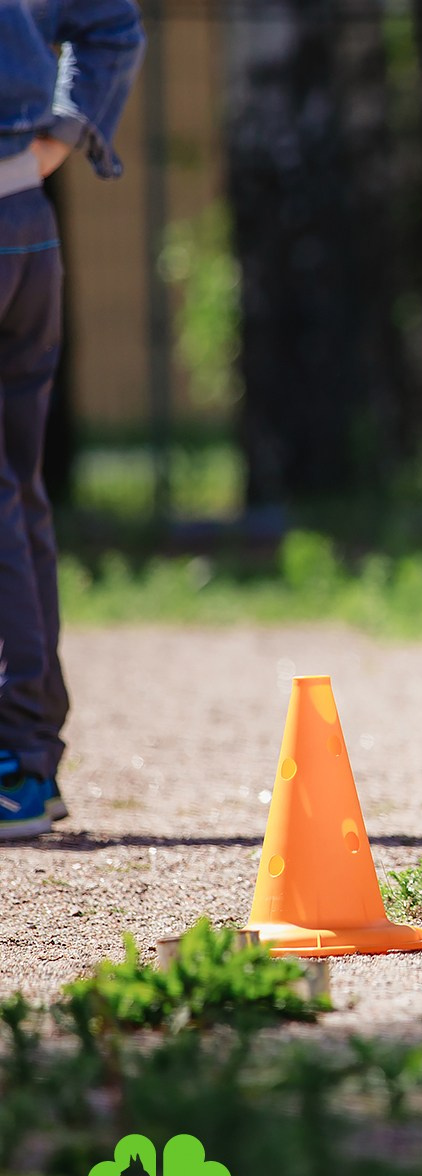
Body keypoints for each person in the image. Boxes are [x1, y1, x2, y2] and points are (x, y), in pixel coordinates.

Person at [0, 0, 144, 840]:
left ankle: (16, 762)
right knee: (16, 493)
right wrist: (52, 142)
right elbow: (112, 22)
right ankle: (29, 756)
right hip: (25, 215)